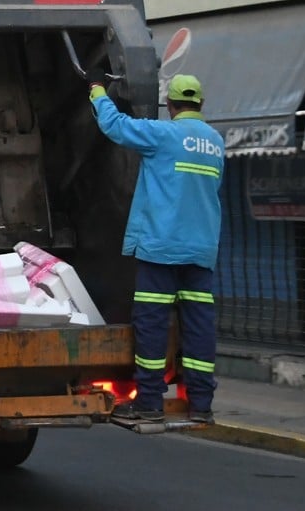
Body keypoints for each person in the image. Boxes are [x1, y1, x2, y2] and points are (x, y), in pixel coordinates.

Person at [89, 74, 224, 424]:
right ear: (201, 105)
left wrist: (99, 95)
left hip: (161, 248)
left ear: (172, 105)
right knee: (199, 326)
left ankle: (149, 401)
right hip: (201, 251)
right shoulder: (215, 142)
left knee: (152, 325)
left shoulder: (164, 134)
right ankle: (202, 405)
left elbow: (115, 127)